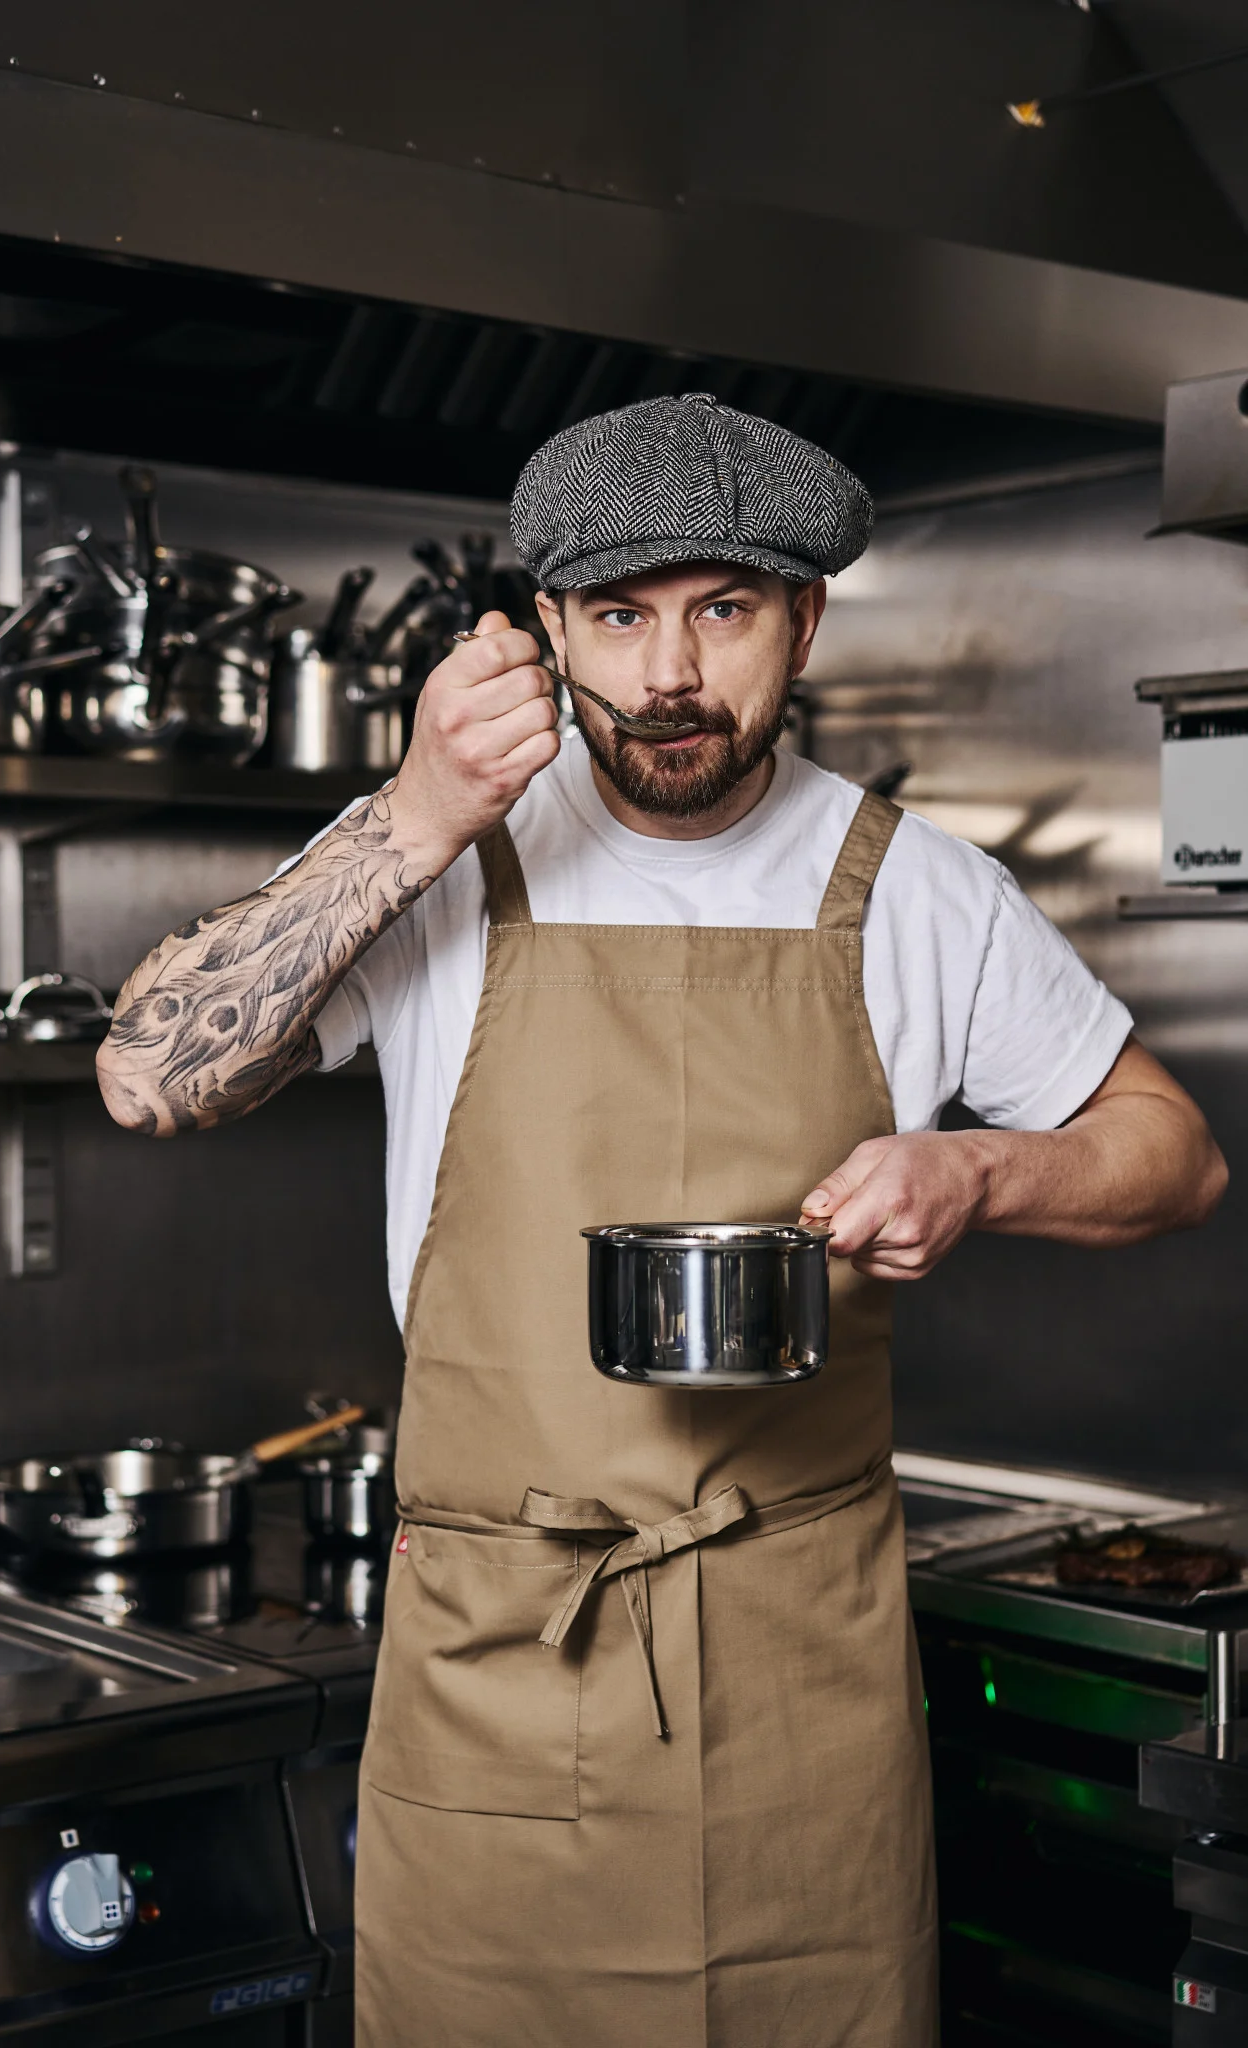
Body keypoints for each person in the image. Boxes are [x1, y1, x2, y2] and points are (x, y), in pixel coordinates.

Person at [97, 393, 1226, 2048]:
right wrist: (412, 815)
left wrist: (981, 1173)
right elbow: (144, 1077)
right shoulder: (442, 860)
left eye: (724, 609)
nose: (671, 674)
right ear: (549, 626)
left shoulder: (914, 887)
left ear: (806, 619)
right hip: (505, 1662)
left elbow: (1175, 1154)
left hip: (802, 1675)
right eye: (620, 616)